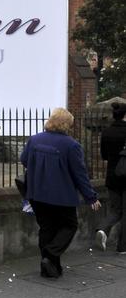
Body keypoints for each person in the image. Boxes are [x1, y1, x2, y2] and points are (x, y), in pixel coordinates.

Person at [20, 107, 101, 278]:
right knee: (69, 226)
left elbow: (24, 160)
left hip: (36, 193)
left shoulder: (34, 140)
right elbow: (80, 174)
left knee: (47, 228)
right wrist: (90, 196)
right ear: (66, 125)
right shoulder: (71, 145)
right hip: (61, 196)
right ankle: (50, 255)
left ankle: (49, 268)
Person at [96, 101, 126, 253]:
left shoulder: (107, 131)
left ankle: (103, 228)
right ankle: (122, 247)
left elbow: (104, 155)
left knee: (115, 209)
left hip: (113, 175)